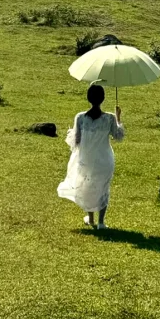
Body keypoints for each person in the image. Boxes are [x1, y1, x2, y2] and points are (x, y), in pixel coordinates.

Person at [57, 83, 125, 229]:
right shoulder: (110, 118)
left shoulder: (80, 117)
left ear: (89, 98)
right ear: (103, 98)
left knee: (87, 186)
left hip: (86, 158)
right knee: (103, 187)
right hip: (104, 159)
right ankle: (101, 222)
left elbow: (76, 140)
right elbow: (118, 136)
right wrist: (118, 118)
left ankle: (91, 218)